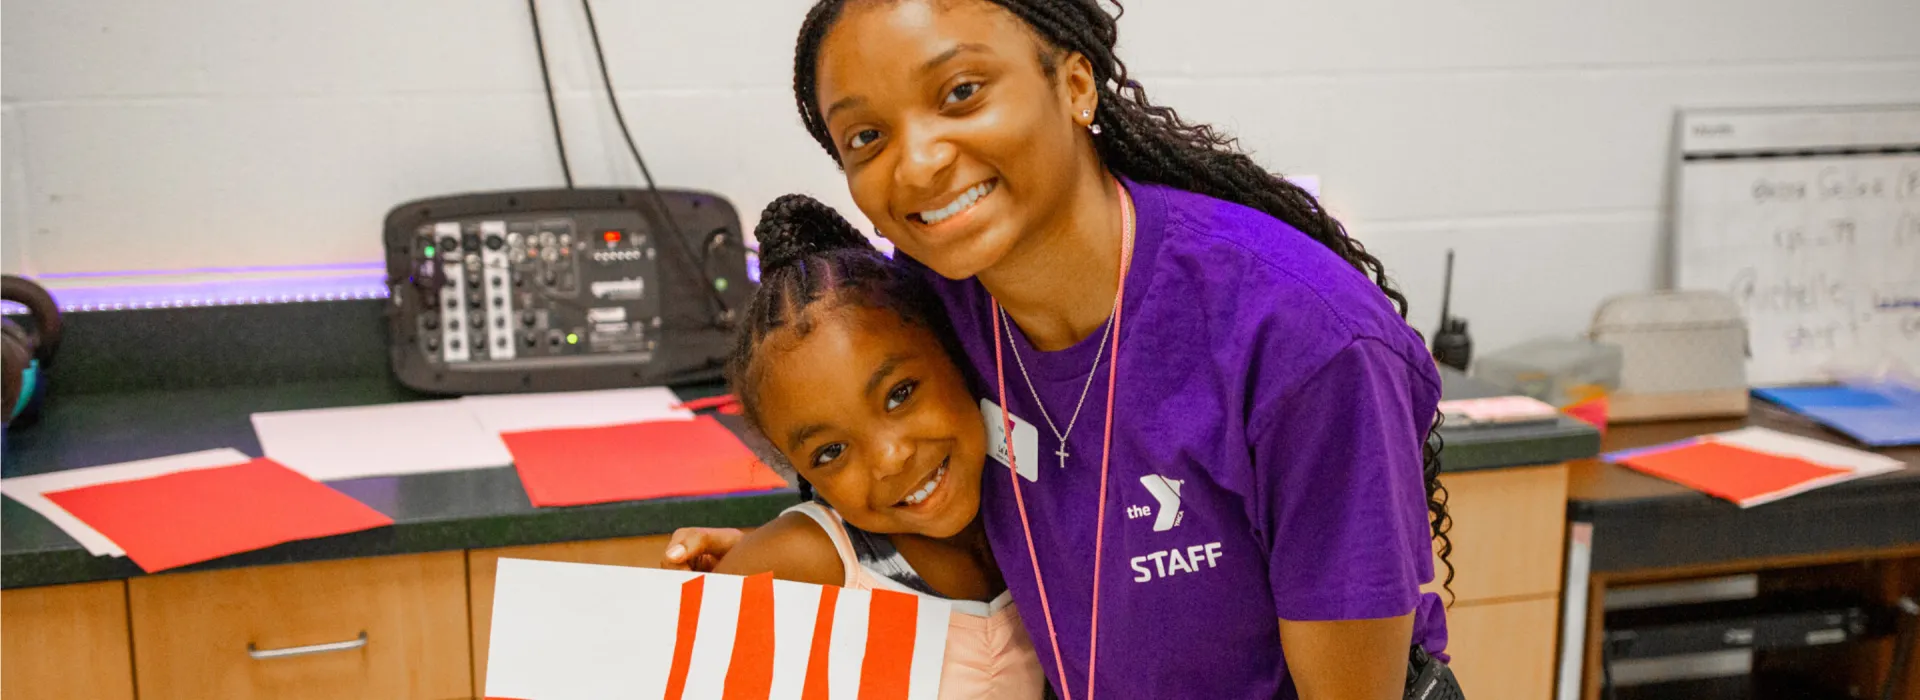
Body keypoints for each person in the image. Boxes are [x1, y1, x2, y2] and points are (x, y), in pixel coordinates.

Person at [668, 1, 1457, 697]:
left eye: (961, 93)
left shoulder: (1302, 342)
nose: (918, 162)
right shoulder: (938, 301)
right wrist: (814, 557)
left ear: (1076, 84)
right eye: (867, 136)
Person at [699, 193, 1047, 699]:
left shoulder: (1037, 512)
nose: (889, 458)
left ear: (955, 354)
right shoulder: (811, 561)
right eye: (830, 453)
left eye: (900, 395)